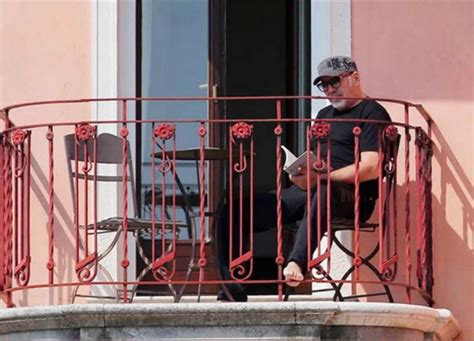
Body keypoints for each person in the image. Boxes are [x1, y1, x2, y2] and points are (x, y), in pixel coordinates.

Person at [216, 56, 391, 301]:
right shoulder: (323, 114)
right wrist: (300, 175)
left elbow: (372, 166)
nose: (329, 90)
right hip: (312, 191)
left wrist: (324, 177)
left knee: (324, 187)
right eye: (324, 85)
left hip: (353, 196)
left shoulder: (372, 112)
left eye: (335, 82)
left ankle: (297, 263)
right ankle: (231, 288)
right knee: (234, 210)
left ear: (355, 77)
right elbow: (312, 161)